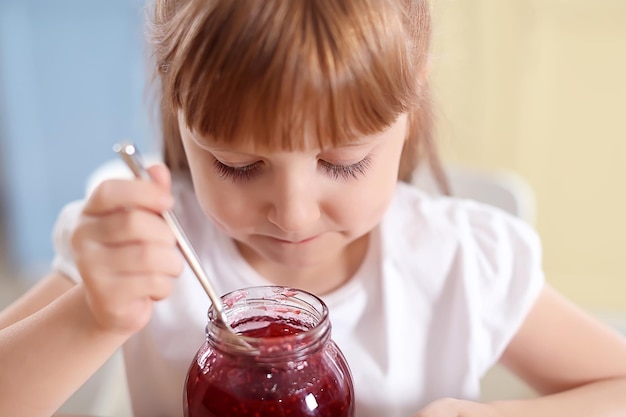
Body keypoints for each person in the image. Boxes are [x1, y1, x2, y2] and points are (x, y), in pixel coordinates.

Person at [1, 1, 626, 416]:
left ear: (410, 110)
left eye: (344, 161)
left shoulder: (460, 265)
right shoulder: (144, 239)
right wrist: (94, 316)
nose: (293, 216)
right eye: (239, 165)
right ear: (179, 112)